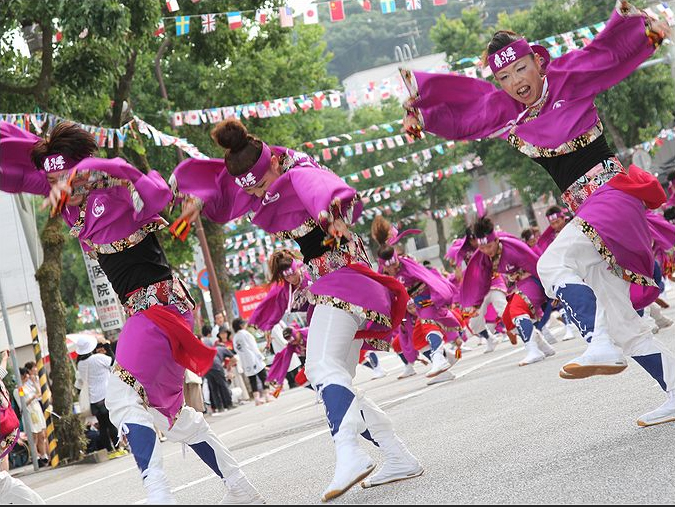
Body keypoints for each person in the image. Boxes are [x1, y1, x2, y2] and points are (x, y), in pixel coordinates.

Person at [401, 1, 675, 426]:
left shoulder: (567, 77)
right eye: (504, 77)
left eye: (521, 69)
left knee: (553, 262)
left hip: (615, 195)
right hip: (589, 211)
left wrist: (645, 31)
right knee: (624, 320)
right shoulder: (509, 110)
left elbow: (605, 54)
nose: (515, 82)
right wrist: (423, 112)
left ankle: (594, 338)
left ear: (537, 62)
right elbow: (467, 113)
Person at [0, 120, 264, 504]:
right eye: (51, 180)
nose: (57, 188)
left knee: (121, 398)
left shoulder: (117, 189)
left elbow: (152, 190)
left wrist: (115, 170)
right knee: (169, 420)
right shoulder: (69, 200)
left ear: (82, 169)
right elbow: (16, 177)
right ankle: (241, 487)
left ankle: (160, 497)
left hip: (161, 306)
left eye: (64, 177)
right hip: (148, 314)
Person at [171, 119, 421, 501]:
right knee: (332, 379)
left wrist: (332, 211)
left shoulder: (299, 171)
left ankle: (349, 452)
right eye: (250, 188)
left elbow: (320, 188)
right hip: (333, 284)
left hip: (346, 279)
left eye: (259, 183)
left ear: (271, 164)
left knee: (321, 369)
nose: (257, 192)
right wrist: (199, 200)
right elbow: (227, 194)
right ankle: (397, 455)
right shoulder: (263, 178)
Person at [0, 351, 45, 504]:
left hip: (6, 427)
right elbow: (2, 369)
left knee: (4, 480)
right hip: (7, 427)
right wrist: (5, 358)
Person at [74, 335, 126, 457]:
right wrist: (108, 347)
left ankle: (109, 451)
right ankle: (118, 449)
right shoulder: (98, 358)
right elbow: (113, 362)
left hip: (93, 400)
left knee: (102, 426)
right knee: (111, 423)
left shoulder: (80, 364)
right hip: (105, 395)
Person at [13, 365, 48, 467]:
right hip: (29, 413)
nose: (26, 377)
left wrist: (33, 382)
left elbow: (39, 393)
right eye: (25, 376)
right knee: (34, 436)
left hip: (37, 411)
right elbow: (22, 404)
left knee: (41, 434)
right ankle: (36, 457)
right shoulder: (18, 390)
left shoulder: (28, 386)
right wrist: (33, 398)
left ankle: (43, 455)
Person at [232, 318, 272, 406]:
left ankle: (257, 399)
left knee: (252, 380)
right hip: (253, 358)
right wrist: (260, 356)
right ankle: (267, 395)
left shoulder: (235, 337)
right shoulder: (246, 334)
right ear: (241, 325)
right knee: (263, 377)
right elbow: (253, 346)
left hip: (245, 361)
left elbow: (237, 349)